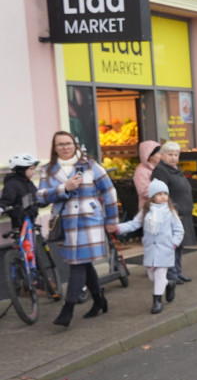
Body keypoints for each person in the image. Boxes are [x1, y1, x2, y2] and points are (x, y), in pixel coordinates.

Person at [37, 131, 119, 327]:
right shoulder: (48, 170)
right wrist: (63, 188)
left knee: (77, 264)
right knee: (83, 263)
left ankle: (68, 309)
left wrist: (111, 220)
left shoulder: (89, 165)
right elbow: (40, 197)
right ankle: (99, 301)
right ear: (54, 148)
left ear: (74, 145)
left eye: (68, 143)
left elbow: (109, 191)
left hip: (88, 222)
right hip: (65, 223)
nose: (65, 147)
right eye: (60, 145)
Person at [114, 180, 184, 314]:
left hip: (166, 249)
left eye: (165, 194)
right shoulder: (146, 212)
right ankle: (169, 283)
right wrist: (117, 228)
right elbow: (133, 224)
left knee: (159, 275)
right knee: (152, 277)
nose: (163, 197)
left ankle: (157, 301)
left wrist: (173, 243)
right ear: (152, 196)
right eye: (159, 194)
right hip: (150, 250)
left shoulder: (170, 212)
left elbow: (179, 230)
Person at [151, 142, 196, 285]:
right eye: (170, 154)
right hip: (172, 214)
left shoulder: (175, 169)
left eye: (176, 155)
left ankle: (178, 271)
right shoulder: (160, 171)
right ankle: (171, 274)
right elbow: (161, 193)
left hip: (182, 214)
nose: (173, 157)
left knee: (179, 244)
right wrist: (173, 209)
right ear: (162, 155)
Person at [1, 153, 41, 232]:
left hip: (31, 217)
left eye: (34, 169)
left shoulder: (28, 183)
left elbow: (35, 195)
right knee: (23, 241)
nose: (34, 172)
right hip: (19, 219)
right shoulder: (12, 183)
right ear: (21, 170)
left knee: (33, 239)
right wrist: (1, 207)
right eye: (31, 169)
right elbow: (7, 198)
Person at [132, 141, 161, 217]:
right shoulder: (141, 171)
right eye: (158, 153)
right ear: (150, 156)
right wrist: (163, 193)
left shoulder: (159, 168)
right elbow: (144, 191)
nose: (161, 155)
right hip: (149, 211)